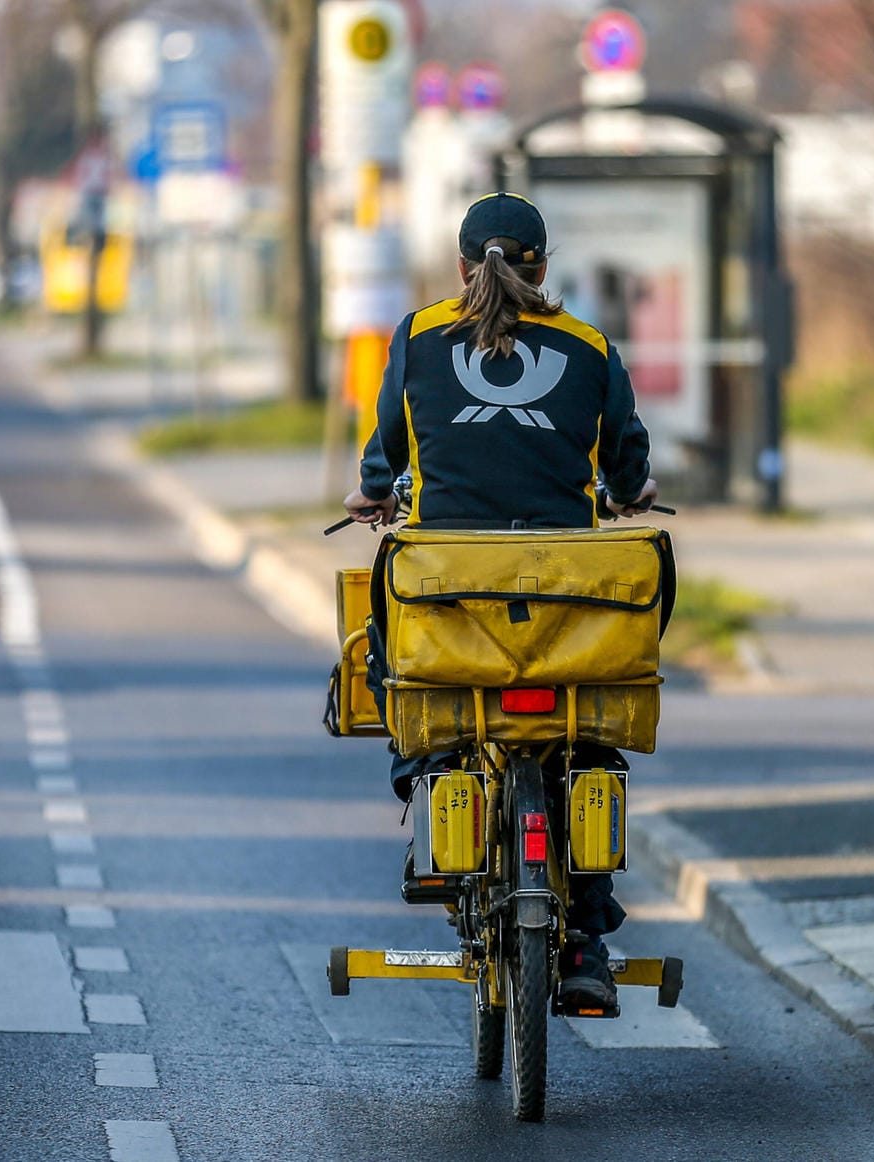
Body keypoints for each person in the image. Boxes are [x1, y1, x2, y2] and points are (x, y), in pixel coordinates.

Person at [343, 192, 658, 1011]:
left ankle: (428, 776)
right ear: (543, 268)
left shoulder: (415, 336)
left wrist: (375, 494)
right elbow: (624, 462)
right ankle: (585, 931)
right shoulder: (587, 346)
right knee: (584, 740)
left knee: (393, 663)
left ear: (459, 266)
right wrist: (632, 492)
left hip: (448, 589)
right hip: (565, 594)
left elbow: (388, 449)